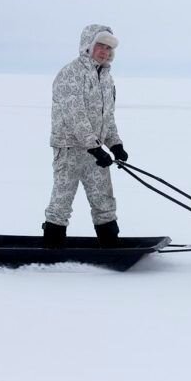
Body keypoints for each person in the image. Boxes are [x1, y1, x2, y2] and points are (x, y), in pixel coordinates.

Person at [43, 24, 128, 248]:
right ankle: (52, 248)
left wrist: (115, 144)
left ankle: (110, 245)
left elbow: (106, 117)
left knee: (104, 201)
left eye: (108, 48)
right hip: (70, 148)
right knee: (62, 201)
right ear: (88, 46)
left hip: (95, 151)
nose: (105, 51)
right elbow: (75, 114)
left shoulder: (106, 79)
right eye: (100, 45)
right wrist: (94, 146)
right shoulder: (71, 73)